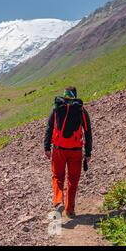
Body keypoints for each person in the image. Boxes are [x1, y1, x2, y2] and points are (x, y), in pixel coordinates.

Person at [44, 86, 92, 218]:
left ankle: (58, 200)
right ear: (75, 96)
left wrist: (47, 147)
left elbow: (49, 128)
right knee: (73, 179)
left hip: (59, 150)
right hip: (76, 151)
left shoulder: (56, 109)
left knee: (58, 176)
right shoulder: (81, 110)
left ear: (64, 95)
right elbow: (87, 132)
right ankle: (70, 209)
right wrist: (88, 153)